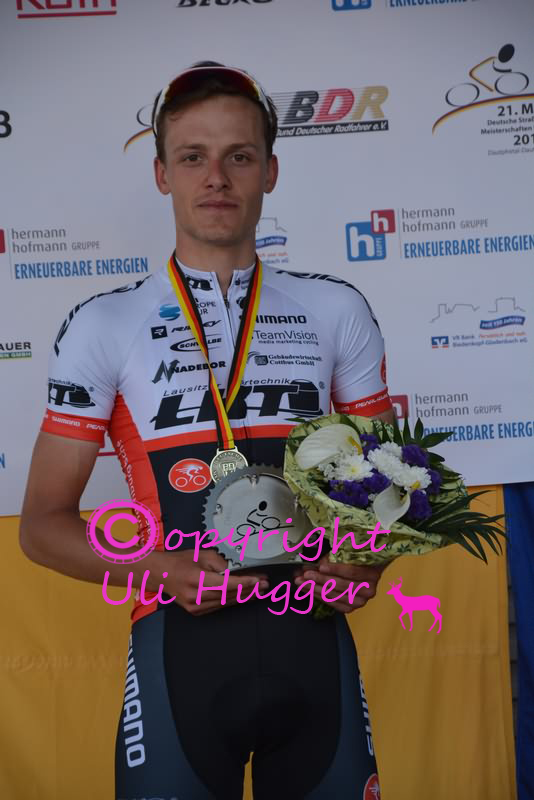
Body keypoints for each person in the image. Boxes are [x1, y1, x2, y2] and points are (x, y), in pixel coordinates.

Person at [20, 61, 394, 800]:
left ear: (270, 171)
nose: (216, 177)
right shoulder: (104, 324)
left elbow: (392, 489)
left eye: (239, 156)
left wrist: (365, 564)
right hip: (179, 654)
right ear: (162, 174)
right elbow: (42, 526)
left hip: (313, 642)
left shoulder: (336, 310)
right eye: (193, 156)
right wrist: (157, 568)